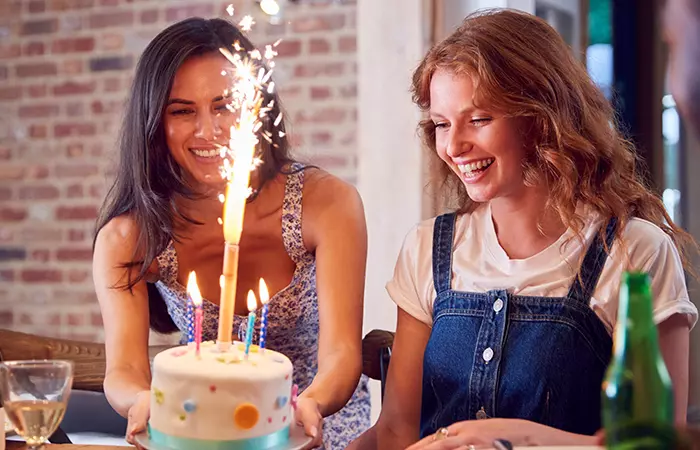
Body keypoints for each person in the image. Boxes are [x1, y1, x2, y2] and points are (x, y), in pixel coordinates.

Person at [349, 8, 697, 449]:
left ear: (541, 115)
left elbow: (655, 443)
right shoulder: (427, 249)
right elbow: (396, 432)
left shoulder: (635, 254)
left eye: (478, 119)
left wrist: (514, 438)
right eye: (441, 124)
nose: (453, 146)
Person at [92, 17, 371, 449]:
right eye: (182, 111)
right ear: (153, 122)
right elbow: (124, 371)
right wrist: (141, 400)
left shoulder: (327, 203)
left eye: (224, 105)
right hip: (203, 435)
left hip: (318, 431)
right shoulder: (128, 238)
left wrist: (310, 403)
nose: (208, 131)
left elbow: (341, 354)